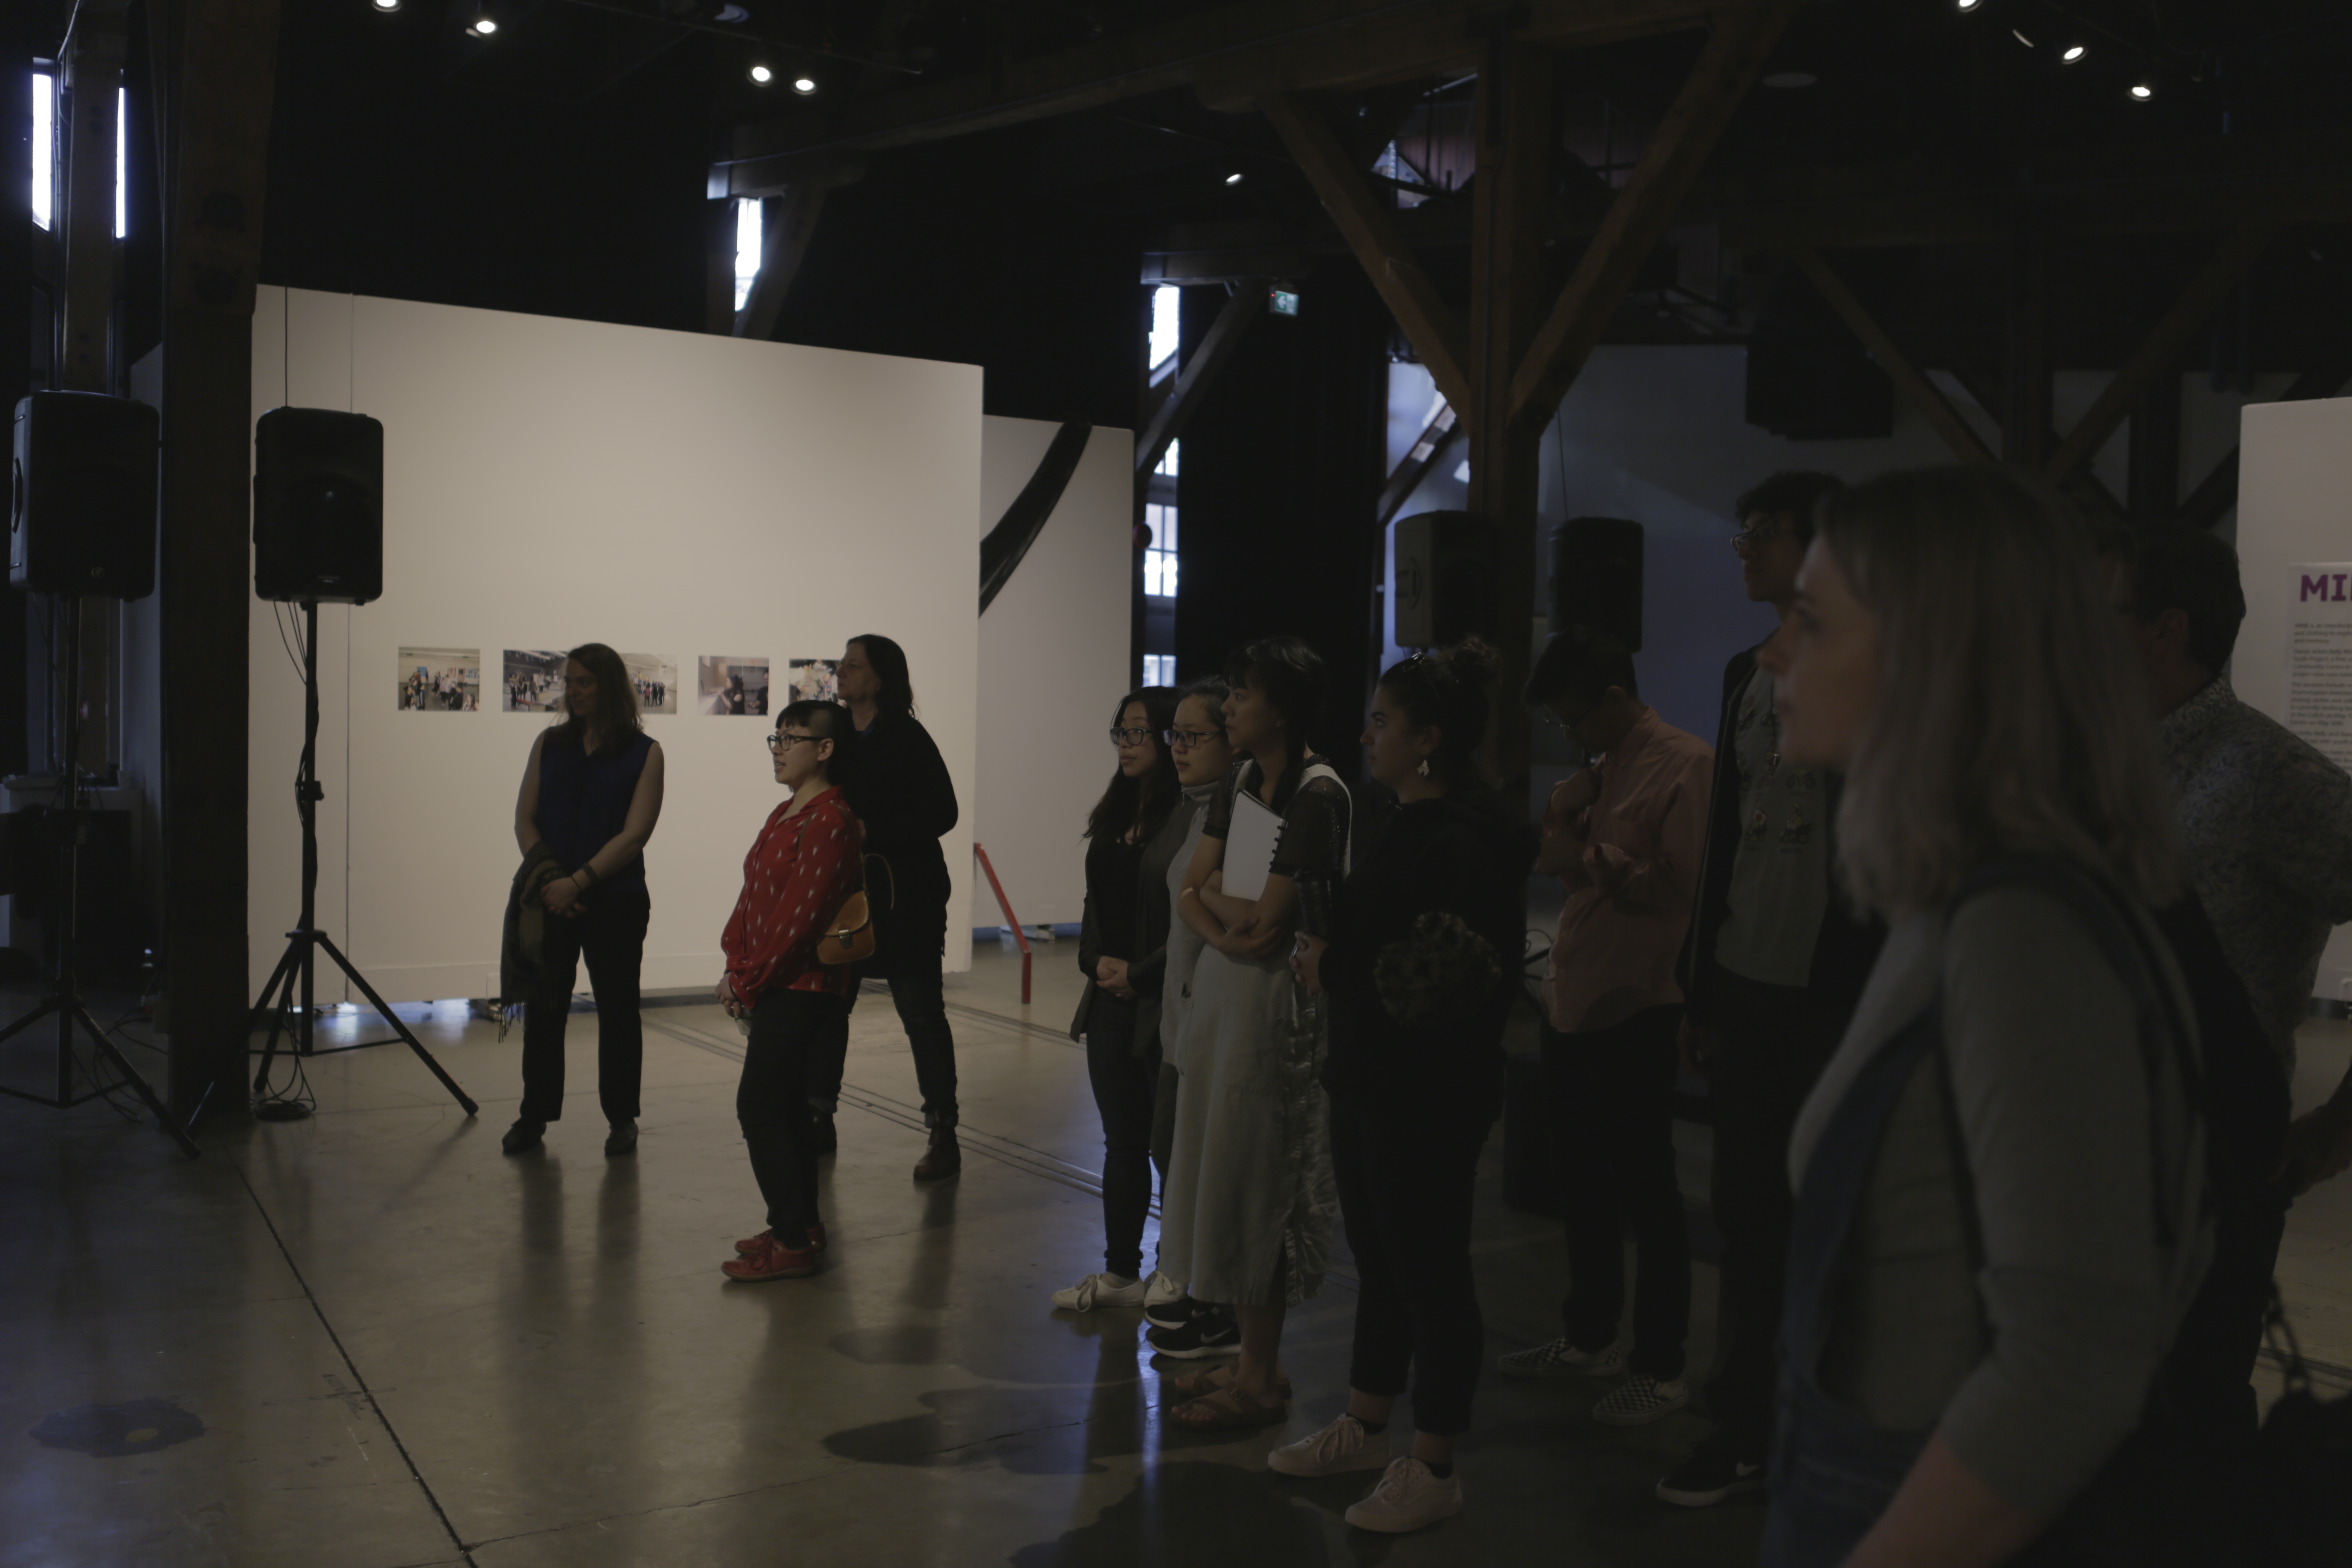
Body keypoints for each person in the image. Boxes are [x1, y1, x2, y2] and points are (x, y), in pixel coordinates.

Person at [1761, 465, 2219, 1568]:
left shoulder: (2019, 931)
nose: (1775, 653)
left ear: (1931, 660)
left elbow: (2072, 1360)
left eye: (1810, 621)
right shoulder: (1957, 901)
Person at [1657, 472, 1887, 1508]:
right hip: (1748, 981)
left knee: (1829, 1218)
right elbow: (1723, 840)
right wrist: (1699, 987)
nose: (1743, 548)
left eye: (1762, 531)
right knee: (1747, 1213)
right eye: (1740, 531)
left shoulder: (1873, 671)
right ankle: (1746, 1418)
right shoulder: (1744, 672)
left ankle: (1812, 1424)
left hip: (1833, 992)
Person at [1273, 639, 1533, 1533]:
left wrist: (1332, 963)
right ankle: (1367, 1421)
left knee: (1430, 1271)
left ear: (1429, 740)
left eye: (1383, 722)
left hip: (1427, 1092)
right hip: (1371, 1076)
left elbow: (1436, 981)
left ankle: (1435, 1463)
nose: (1367, 735)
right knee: (1382, 1262)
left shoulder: (1461, 841)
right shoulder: (1403, 820)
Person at [1503, 627, 1712, 1428]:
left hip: (1638, 1002)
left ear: (1616, 697)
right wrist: (1567, 821)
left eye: (1575, 718)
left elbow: (1682, 886)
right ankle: (1590, 1336)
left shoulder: (1685, 764)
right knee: (1580, 1179)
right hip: (1578, 994)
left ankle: (1660, 1366)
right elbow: (1571, 868)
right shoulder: (1603, 767)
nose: (1571, 733)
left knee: (1646, 1188)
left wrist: (1586, 855)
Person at [1155, 637, 1349, 1430]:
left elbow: (1269, 921)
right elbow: (1193, 889)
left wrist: (1223, 914)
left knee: (1258, 1187)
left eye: (1243, 695)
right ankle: (1248, 1362)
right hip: (1225, 998)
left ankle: (1261, 1379)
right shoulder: (1244, 780)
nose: (1230, 708)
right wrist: (1226, 923)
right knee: (1222, 1179)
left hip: (1273, 1013)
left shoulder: (1318, 793)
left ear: (1285, 708)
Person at [2118, 526, 2352, 1183]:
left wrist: (2340, 1126)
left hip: (2208, 1163)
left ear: (2166, 630)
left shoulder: (2268, 774)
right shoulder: (2099, 758)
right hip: (2085, 1149)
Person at [716, 700, 865, 1282]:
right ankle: (802, 1225)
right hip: (778, 981)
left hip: (803, 987)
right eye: (775, 738)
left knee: (759, 1106)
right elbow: (753, 897)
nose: (778, 749)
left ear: (824, 749)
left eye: (791, 738)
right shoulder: (787, 813)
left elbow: (798, 922)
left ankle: (790, 1241)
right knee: (785, 1107)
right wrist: (736, 961)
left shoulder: (829, 821)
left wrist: (748, 980)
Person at [808, 634, 965, 1178]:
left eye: (854, 665)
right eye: (843, 664)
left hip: (907, 898)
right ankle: (819, 1116)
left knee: (920, 1013)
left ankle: (943, 1130)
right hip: (847, 894)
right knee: (831, 1009)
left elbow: (944, 812)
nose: (842, 671)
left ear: (881, 679)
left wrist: (874, 829)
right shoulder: (835, 735)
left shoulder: (907, 737)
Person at [505, 643, 667, 1156]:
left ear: (609, 687)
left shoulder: (645, 752)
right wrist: (554, 879)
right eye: (569, 682)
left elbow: (635, 835)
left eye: (584, 682)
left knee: (618, 1012)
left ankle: (622, 1118)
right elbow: (525, 818)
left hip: (615, 900)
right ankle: (534, 1115)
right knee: (544, 1011)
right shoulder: (550, 744)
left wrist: (578, 882)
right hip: (551, 896)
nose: (572, 691)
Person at [1055, 685, 1184, 1312]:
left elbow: (1190, 922)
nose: (1127, 745)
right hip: (1109, 1001)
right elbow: (1096, 902)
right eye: (1121, 732)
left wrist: (1142, 973)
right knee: (1123, 1142)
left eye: (1138, 732)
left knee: (1171, 1148)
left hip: (1162, 1000)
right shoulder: (1114, 812)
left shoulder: (1187, 817)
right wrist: (1094, 961)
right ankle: (1120, 1272)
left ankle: (1174, 1271)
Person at [1140, 676, 1234, 1336]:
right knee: (1169, 1152)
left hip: (1212, 1026)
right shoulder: (1198, 809)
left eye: (1194, 736)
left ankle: (1210, 1298)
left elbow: (1242, 919)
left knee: (1201, 1167)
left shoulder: (1241, 815)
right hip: (1180, 1024)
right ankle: (1186, 1275)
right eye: (1176, 735)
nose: (1178, 747)